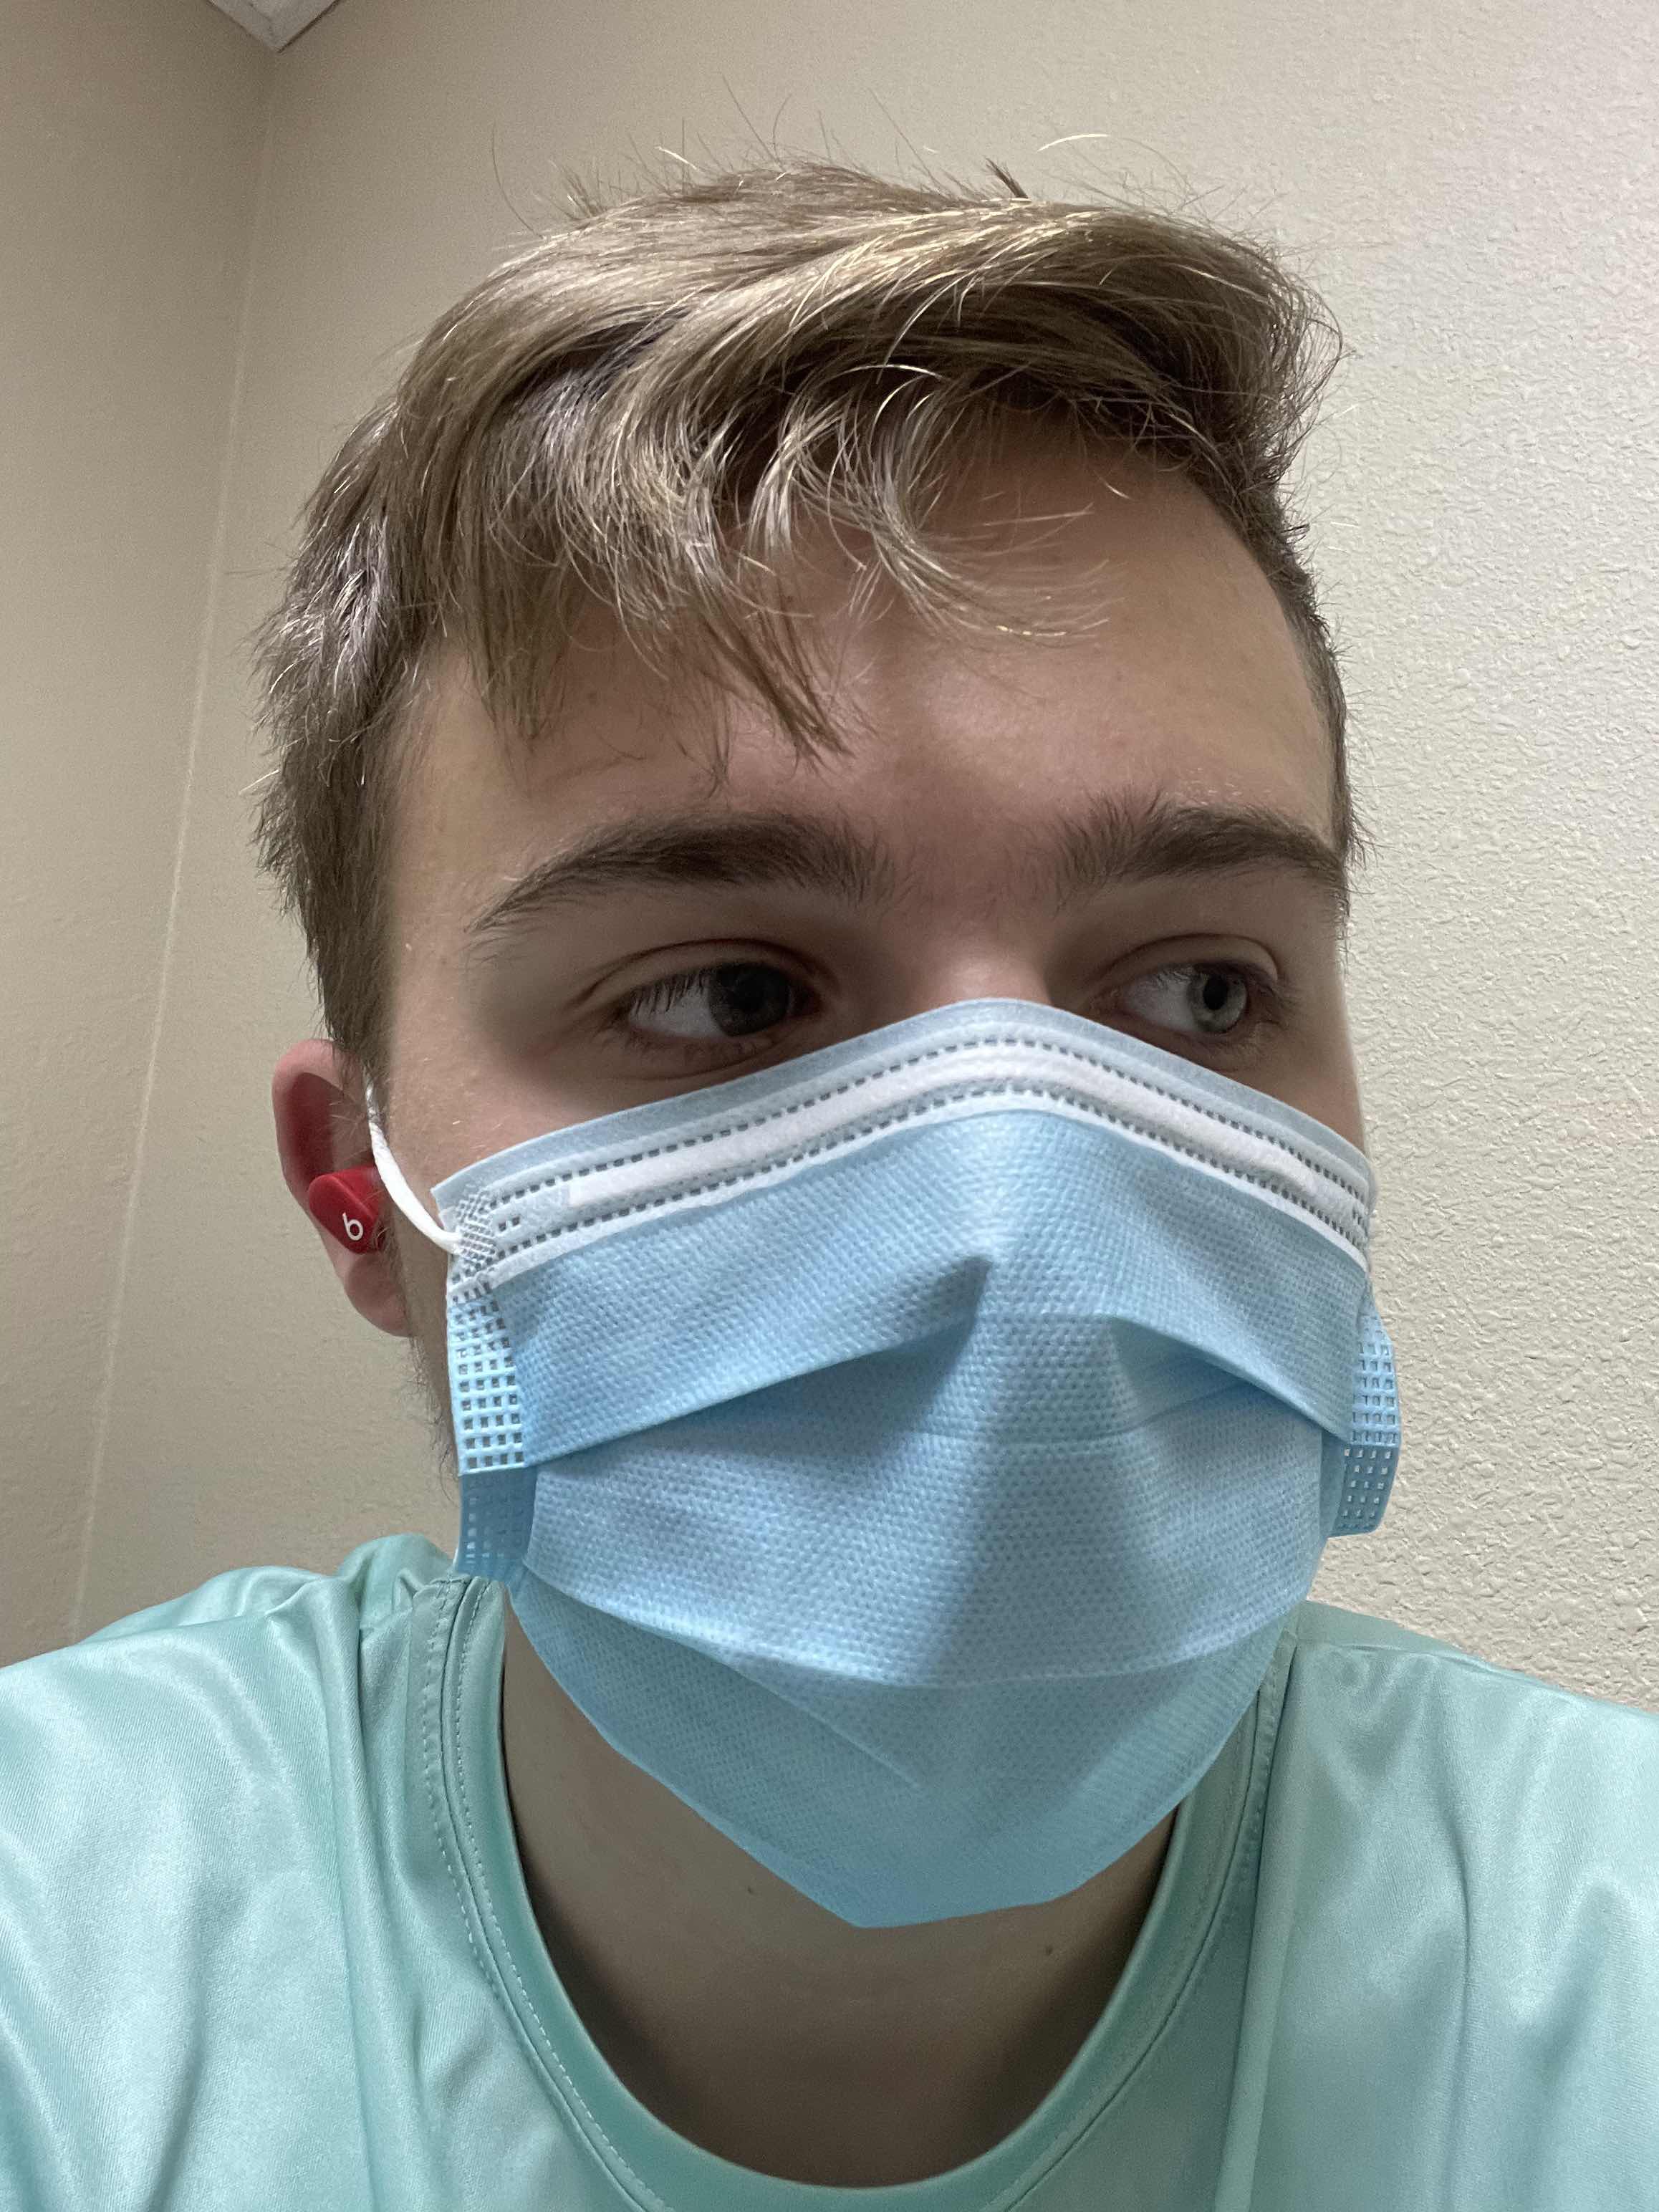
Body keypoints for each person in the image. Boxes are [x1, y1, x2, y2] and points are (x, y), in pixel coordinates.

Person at [1, 158, 1655, 2211]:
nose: (1006, 1209)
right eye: (727, 993)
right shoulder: (61, 1947)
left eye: (1202, 989)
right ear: (360, 1193)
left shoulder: (1599, 1955)